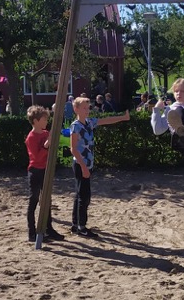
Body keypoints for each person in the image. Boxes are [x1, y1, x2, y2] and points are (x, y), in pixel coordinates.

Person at [70, 97, 130, 238]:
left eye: (88, 108)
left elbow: (106, 120)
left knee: (80, 194)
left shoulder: (89, 122)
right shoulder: (75, 126)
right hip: (80, 164)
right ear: (76, 109)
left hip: (87, 164)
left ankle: (76, 224)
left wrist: (123, 117)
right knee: (84, 197)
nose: (87, 111)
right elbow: (73, 149)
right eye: (84, 108)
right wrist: (84, 167)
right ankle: (81, 227)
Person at [25, 105, 64, 243]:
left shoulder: (45, 133)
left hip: (45, 170)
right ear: (36, 121)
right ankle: (32, 232)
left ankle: (49, 229)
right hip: (35, 171)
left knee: (47, 199)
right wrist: (46, 146)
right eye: (44, 119)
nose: (46, 121)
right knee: (34, 199)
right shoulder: (31, 137)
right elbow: (36, 157)